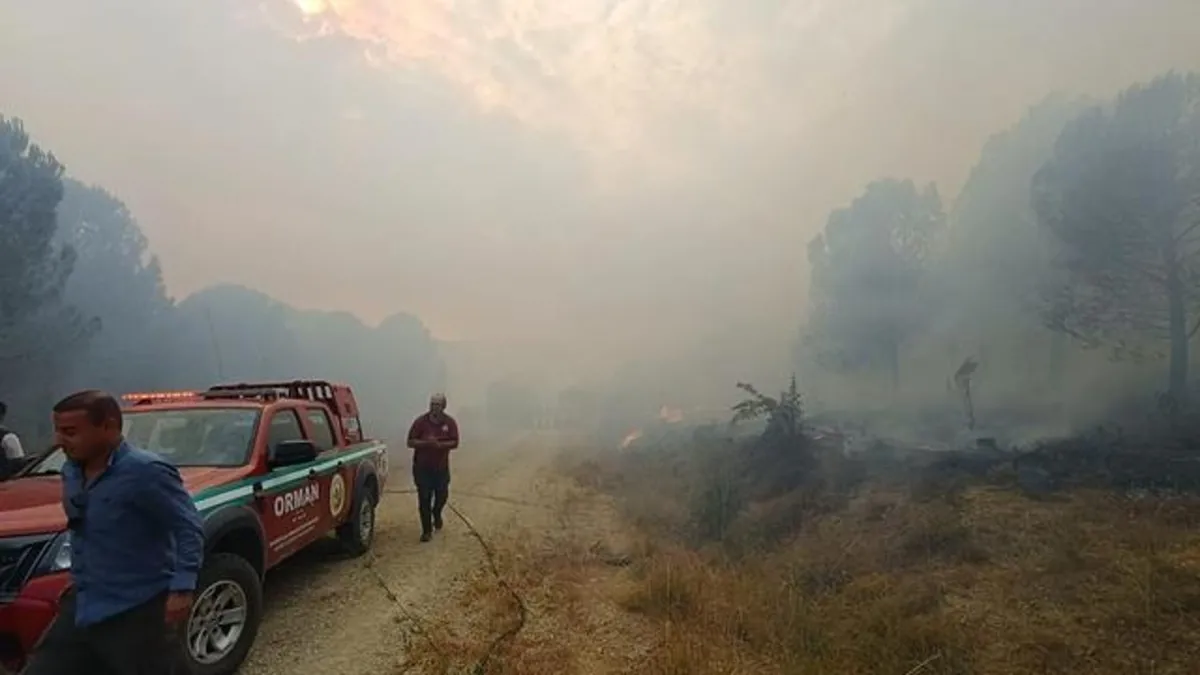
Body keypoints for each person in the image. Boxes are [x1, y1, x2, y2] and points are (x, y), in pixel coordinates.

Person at [23, 390, 205, 675]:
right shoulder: (71, 470)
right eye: (57, 431)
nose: (59, 441)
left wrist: (182, 588)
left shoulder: (146, 472)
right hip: (83, 605)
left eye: (70, 432)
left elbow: (188, 527)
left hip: (137, 610)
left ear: (107, 426)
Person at [406, 393, 460, 542]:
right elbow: (410, 441)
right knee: (424, 498)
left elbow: (455, 442)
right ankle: (426, 530)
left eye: (437, 404)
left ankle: (436, 513)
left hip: (441, 468)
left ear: (443, 406)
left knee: (442, 495)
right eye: (432, 404)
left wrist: (439, 445)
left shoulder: (450, 423)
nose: (434, 407)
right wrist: (425, 443)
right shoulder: (420, 422)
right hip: (422, 468)